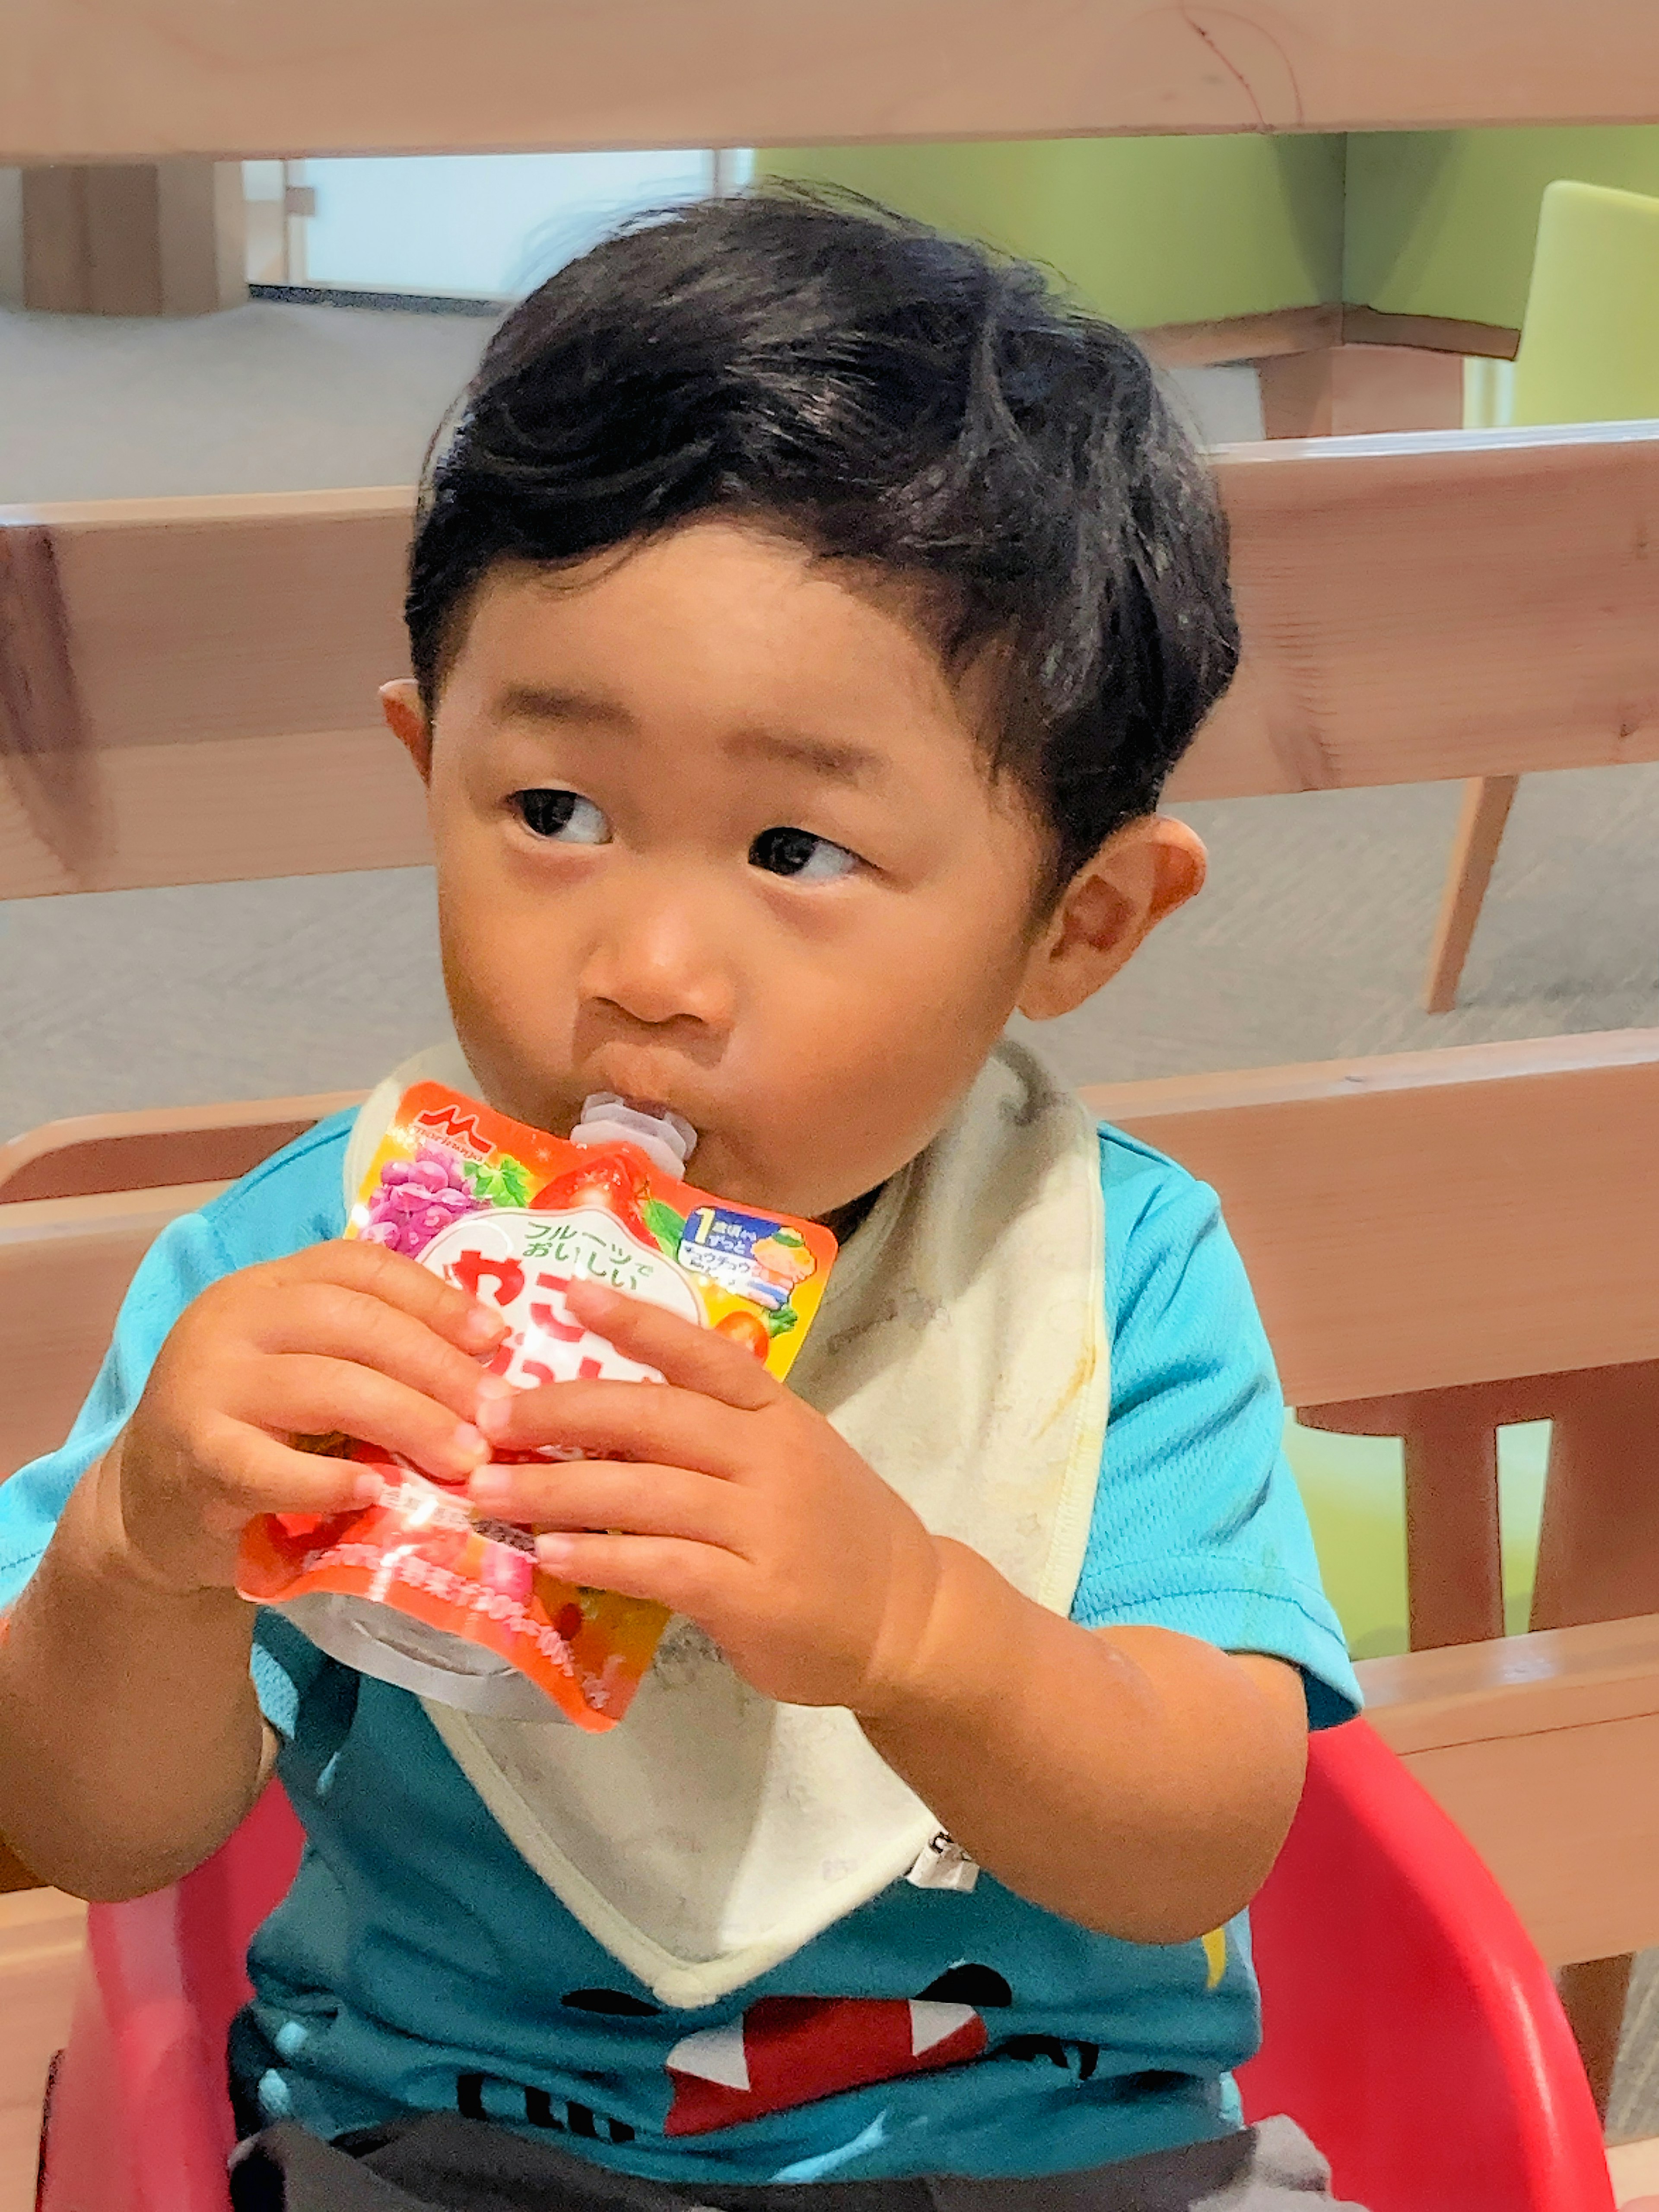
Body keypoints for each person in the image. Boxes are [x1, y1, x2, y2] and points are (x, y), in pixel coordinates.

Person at [0, 190, 1366, 2212]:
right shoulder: (309, 1261)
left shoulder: (1110, 1270)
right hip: (453, 2145)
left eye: (798, 846)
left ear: (1076, 921)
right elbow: (90, 1828)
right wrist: (139, 1547)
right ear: (427, 762)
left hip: (1057, 2156)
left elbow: (1203, 1834)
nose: (643, 962)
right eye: (553, 812)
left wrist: (914, 1624)